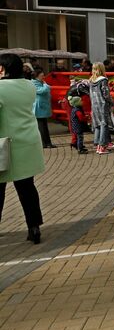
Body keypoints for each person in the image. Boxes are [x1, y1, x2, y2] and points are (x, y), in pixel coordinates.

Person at [0, 53, 46, 244]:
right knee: (27, 189)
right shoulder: (28, 85)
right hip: (27, 142)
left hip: (4, 146)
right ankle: (34, 227)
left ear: (3, 69)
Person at [89, 62, 114, 155]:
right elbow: (106, 94)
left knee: (97, 124)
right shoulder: (103, 80)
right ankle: (102, 146)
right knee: (104, 124)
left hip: (94, 105)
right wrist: (112, 102)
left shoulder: (91, 80)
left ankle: (97, 144)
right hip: (103, 105)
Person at [31, 67, 55, 148]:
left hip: (42, 107)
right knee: (42, 127)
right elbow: (41, 91)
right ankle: (44, 143)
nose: (43, 77)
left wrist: (45, 85)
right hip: (39, 107)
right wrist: (46, 85)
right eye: (42, 76)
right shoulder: (34, 83)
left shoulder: (40, 82)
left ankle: (47, 143)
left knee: (44, 126)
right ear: (37, 76)